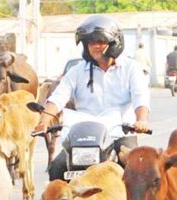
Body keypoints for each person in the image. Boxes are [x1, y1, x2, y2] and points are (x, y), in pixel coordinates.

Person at [34, 15, 150, 180]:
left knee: (134, 171)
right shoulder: (77, 71)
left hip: (120, 135)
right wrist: (43, 121)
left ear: (114, 43)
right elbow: (58, 97)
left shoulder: (131, 68)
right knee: (57, 168)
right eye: (90, 42)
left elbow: (140, 97)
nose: (95, 46)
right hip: (83, 136)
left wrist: (142, 120)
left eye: (100, 41)